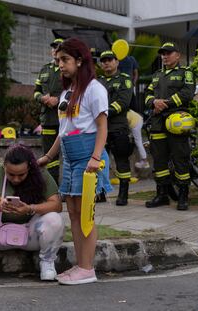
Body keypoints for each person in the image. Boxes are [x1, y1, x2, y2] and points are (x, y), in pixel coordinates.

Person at [38, 38, 112, 285]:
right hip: (68, 157)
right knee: (72, 213)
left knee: (85, 215)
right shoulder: (67, 92)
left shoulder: (94, 89)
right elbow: (64, 130)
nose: (60, 65)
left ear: (80, 61)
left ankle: (87, 268)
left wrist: (95, 158)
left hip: (86, 157)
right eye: (58, 60)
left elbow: (102, 128)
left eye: (65, 60)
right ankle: (80, 264)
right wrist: (49, 156)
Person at [0, 143, 63, 283]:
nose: (16, 179)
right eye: (11, 174)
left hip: (31, 234)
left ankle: (47, 263)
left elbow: (57, 205)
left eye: (21, 175)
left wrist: (30, 208)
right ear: (4, 166)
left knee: (54, 218)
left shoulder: (41, 174)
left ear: (29, 168)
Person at [144, 42, 195, 211]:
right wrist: (153, 102)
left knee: (180, 159)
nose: (165, 56)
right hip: (158, 123)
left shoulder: (185, 73)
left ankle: (183, 196)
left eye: (168, 53)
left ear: (177, 55)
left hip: (176, 122)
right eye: (163, 54)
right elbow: (148, 93)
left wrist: (166, 103)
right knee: (159, 160)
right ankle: (162, 195)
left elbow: (187, 93)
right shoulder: (157, 75)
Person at [98, 50, 133, 206]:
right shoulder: (97, 82)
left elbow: (123, 102)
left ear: (117, 62)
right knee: (99, 162)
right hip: (100, 129)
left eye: (109, 60)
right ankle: (100, 193)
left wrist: (103, 112)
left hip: (118, 128)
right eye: (103, 60)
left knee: (121, 161)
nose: (106, 63)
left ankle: (123, 194)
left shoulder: (124, 80)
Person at [33, 38, 64, 185]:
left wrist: (58, 99)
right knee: (49, 155)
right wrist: (42, 98)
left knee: (68, 154)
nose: (55, 50)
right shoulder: (44, 69)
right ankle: (54, 188)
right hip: (48, 119)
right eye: (53, 47)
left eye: (58, 47)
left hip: (64, 118)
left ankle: (68, 189)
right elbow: (36, 92)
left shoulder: (67, 69)